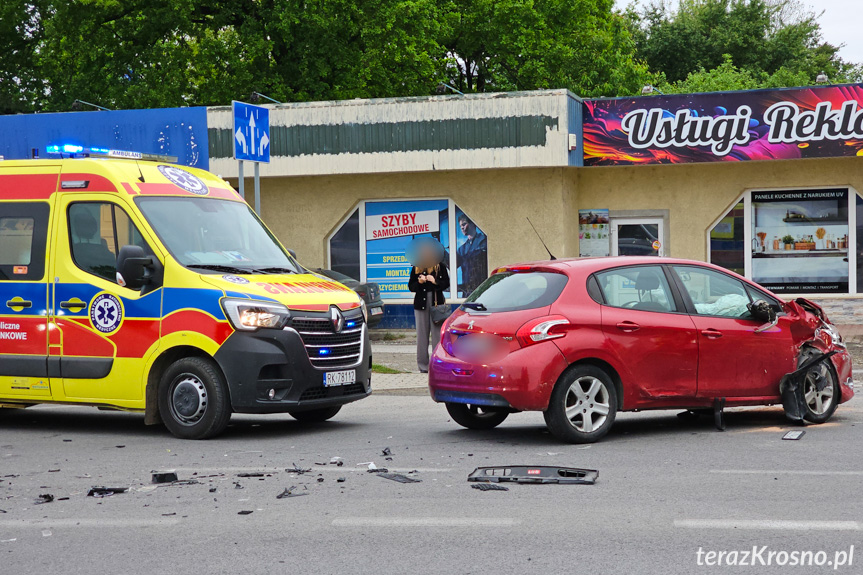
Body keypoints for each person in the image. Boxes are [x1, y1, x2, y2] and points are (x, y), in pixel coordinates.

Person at [408, 251, 450, 373]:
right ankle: (423, 366)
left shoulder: (440, 266)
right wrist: (419, 282)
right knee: (422, 336)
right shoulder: (416, 267)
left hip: (436, 304)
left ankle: (437, 364)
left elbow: (446, 283)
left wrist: (434, 281)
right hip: (421, 304)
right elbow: (411, 286)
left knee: (437, 335)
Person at [456, 214, 488, 296]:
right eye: (460, 226)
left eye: (464, 224)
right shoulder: (462, 249)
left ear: (473, 223)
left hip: (482, 290)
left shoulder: (484, 241)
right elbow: (452, 264)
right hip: (468, 293)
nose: (462, 228)